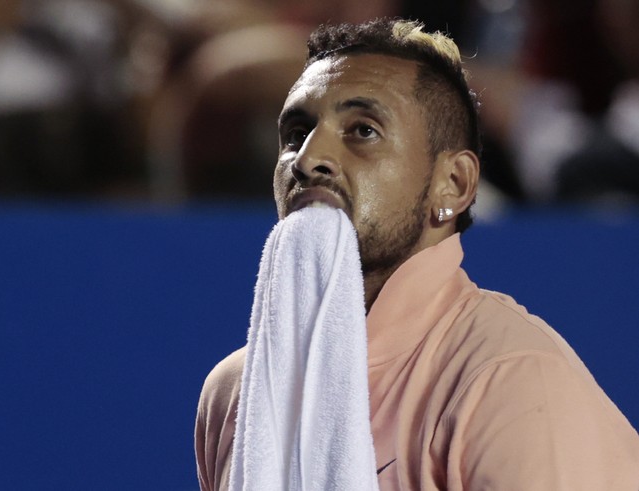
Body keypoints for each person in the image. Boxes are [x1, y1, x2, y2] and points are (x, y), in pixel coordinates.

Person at [195, 17, 639, 490]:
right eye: (295, 133)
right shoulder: (233, 389)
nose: (307, 159)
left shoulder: (510, 378)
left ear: (454, 185)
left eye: (362, 130)